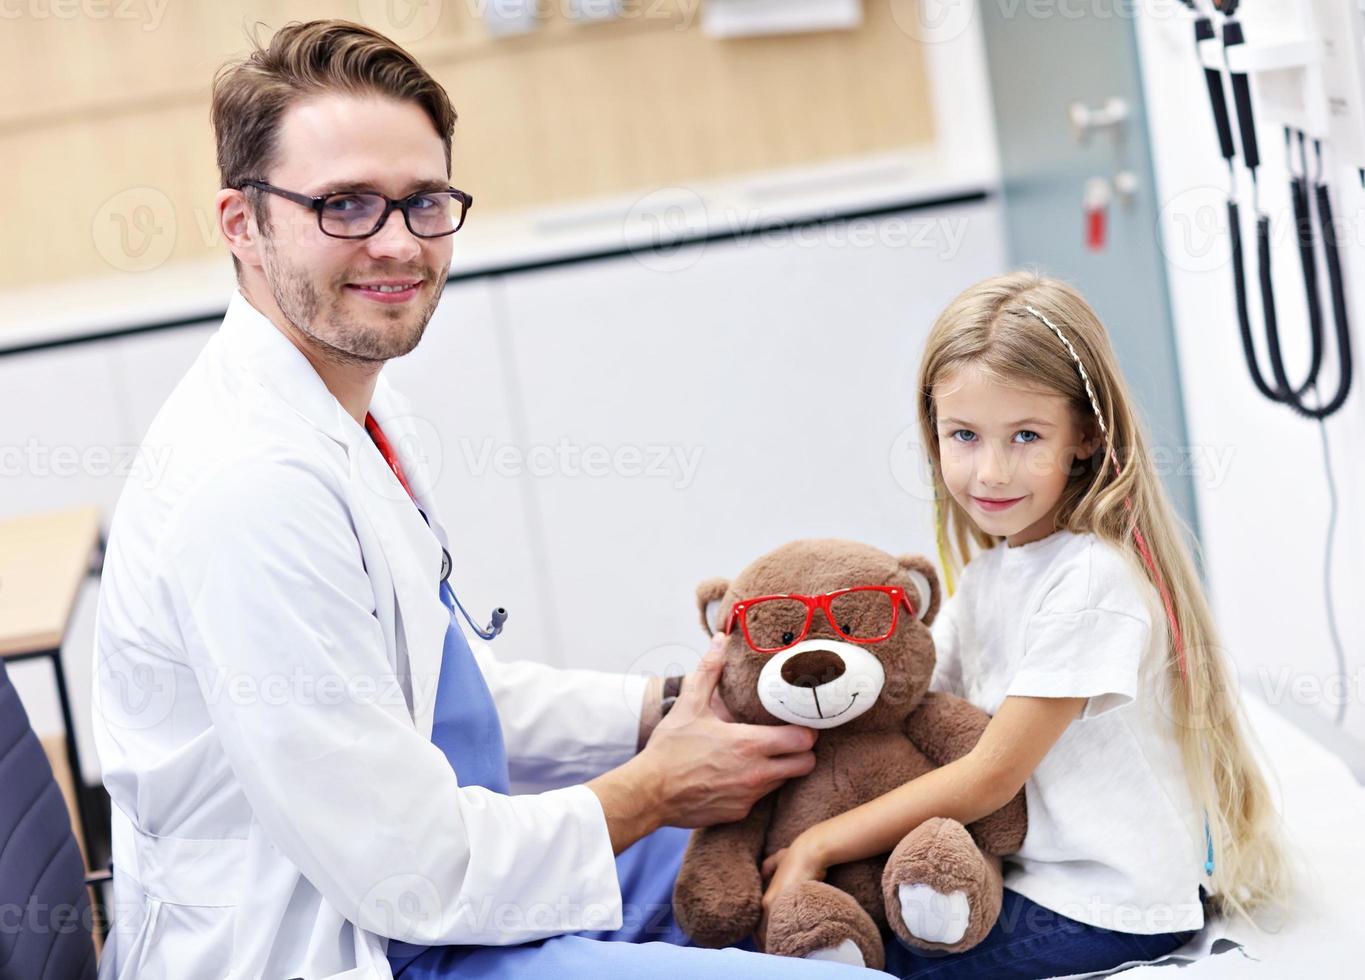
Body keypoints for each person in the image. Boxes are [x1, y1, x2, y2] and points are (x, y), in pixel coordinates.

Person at [92, 20, 880, 980]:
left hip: (447, 886)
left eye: (423, 202)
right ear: (241, 223)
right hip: (363, 945)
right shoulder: (250, 489)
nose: (396, 243)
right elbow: (409, 875)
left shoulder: (356, 415)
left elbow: (430, 697)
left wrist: (672, 704)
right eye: (344, 205)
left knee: (829, 840)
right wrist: (654, 789)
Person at [760, 271, 1296, 978]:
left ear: (1086, 435)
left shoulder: (1091, 580)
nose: (990, 470)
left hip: (1103, 901)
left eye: (1025, 436)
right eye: (964, 435)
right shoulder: (989, 578)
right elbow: (906, 701)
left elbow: (989, 776)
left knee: (881, 970)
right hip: (1025, 875)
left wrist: (817, 844)